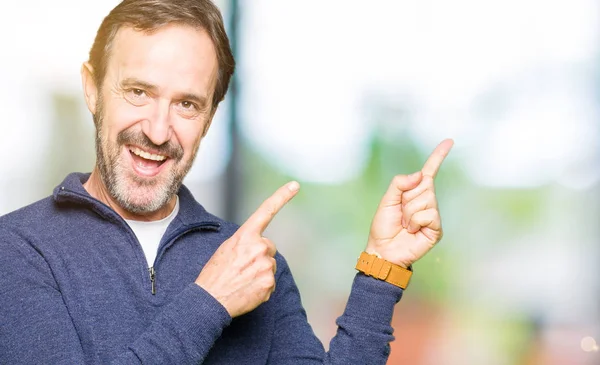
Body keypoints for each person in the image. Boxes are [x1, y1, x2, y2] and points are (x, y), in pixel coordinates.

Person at [0, 0, 453, 364]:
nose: (158, 131)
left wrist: (381, 268)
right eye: (138, 92)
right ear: (93, 89)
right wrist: (210, 301)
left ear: (210, 117)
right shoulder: (18, 249)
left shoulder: (251, 261)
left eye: (187, 105)